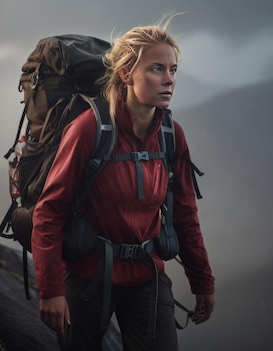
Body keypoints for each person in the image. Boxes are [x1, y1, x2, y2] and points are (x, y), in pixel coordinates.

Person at [31, 14, 215, 351]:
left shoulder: (171, 136)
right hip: (86, 278)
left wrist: (202, 280)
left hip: (147, 276)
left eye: (173, 69)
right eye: (156, 69)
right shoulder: (89, 130)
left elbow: (185, 213)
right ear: (126, 74)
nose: (169, 79)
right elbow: (49, 212)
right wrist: (52, 290)